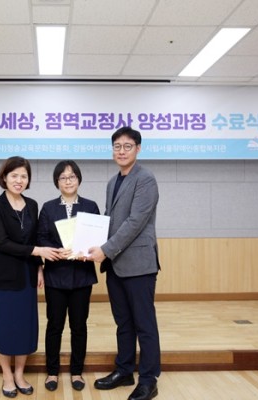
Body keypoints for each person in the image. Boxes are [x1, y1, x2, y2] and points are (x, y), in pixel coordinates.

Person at [88, 127, 161, 400]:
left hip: (139, 264)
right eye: (117, 146)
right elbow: (110, 221)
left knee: (145, 324)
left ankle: (149, 379)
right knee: (124, 322)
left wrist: (105, 250)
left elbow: (135, 222)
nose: (121, 151)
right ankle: (124, 370)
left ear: (138, 149)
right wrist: (89, 243)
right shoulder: (112, 182)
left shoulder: (146, 179)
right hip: (116, 264)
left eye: (127, 146)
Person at [0, 156, 61, 398]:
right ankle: (7, 375)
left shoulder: (32, 205)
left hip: (28, 275)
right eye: (14, 175)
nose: (19, 180)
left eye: (24, 176)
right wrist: (38, 251)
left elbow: (34, 239)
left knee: (24, 327)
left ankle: (19, 373)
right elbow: (3, 243)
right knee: (4, 327)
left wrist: (39, 267)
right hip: (5, 276)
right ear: (4, 177)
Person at [37, 160, 100, 392]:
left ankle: (76, 371)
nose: (68, 181)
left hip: (82, 276)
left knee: (79, 326)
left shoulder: (91, 206)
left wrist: (88, 251)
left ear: (79, 179)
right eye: (63, 177)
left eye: (72, 176)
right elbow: (41, 237)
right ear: (57, 182)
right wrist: (56, 250)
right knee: (54, 325)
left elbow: (98, 239)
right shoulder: (48, 207)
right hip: (56, 275)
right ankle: (52, 372)